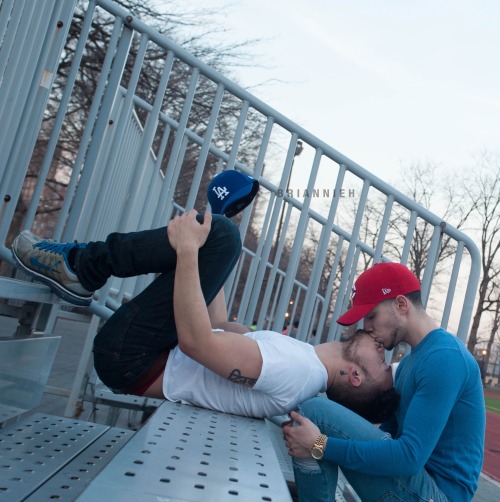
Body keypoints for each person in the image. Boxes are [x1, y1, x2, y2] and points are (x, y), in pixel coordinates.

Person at [11, 210, 396, 421]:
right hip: (148, 355)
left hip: (134, 360)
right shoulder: (302, 361)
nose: (383, 348)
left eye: (383, 362)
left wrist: (192, 251)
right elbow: (225, 325)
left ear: (357, 377)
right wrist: (206, 258)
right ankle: (81, 266)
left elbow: (197, 342)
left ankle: (81, 266)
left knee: (224, 235)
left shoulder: (295, 372)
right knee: (221, 235)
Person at [283, 262, 485, 502]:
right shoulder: (410, 363)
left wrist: (320, 445)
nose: (367, 328)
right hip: (414, 486)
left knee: (314, 412)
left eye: (371, 316)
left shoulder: (445, 358)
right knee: (312, 416)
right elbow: (388, 438)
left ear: (401, 305)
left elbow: (409, 458)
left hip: (436, 495)